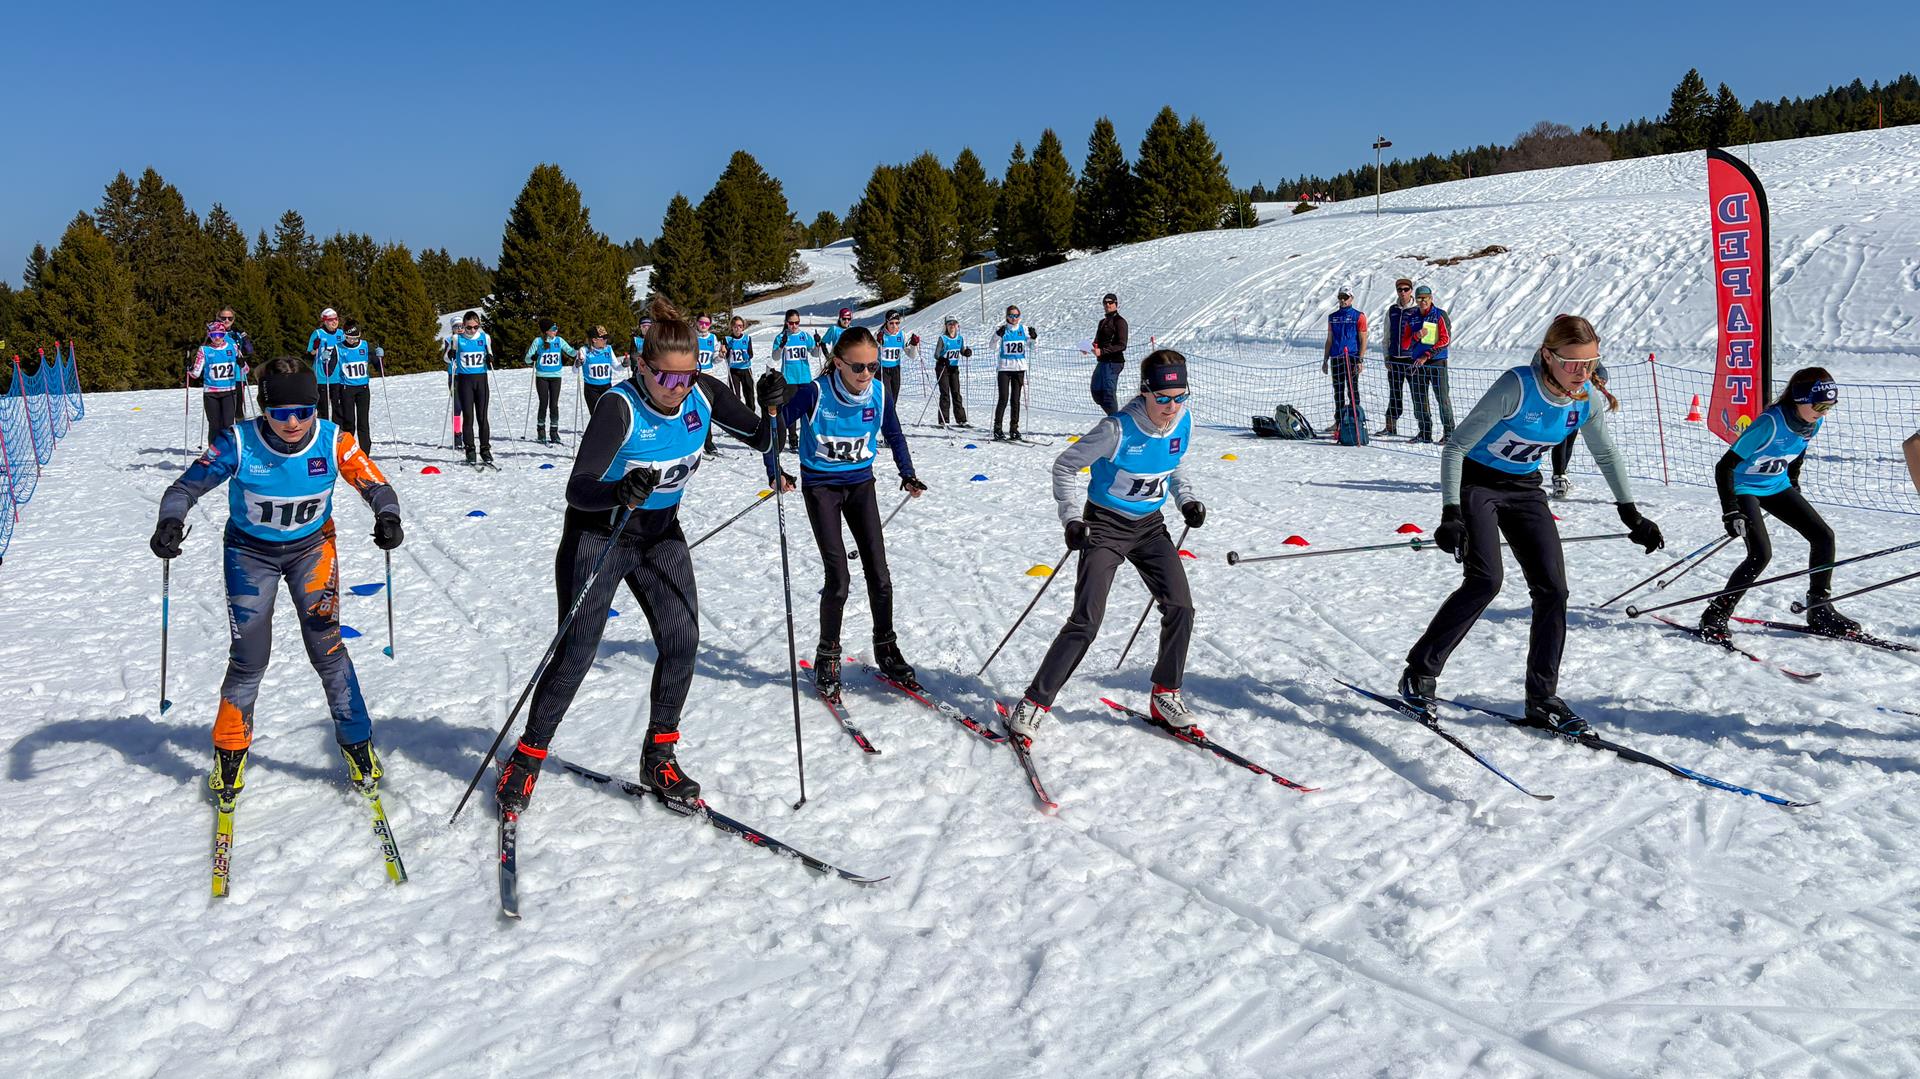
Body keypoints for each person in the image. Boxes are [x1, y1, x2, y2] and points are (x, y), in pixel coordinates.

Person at [493, 300, 781, 813]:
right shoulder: (618, 407)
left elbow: (762, 438)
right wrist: (620, 490)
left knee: (682, 638)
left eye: (688, 377)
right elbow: (578, 489)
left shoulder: (704, 395)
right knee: (578, 649)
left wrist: (775, 402)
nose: (678, 389)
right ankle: (527, 756)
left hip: (658, 535)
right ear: (641, 365)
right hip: (598, 535)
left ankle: (659, 755)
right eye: (667, 379)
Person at [148, 356, 405, 812]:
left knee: (327, 649)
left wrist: (387, 516)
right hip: (250, 555)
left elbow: (377, 485)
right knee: (249, 657)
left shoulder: (333, 441)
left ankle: (358, 745)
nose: (293, 422)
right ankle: (229, 753)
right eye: (281, 412)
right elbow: (183, 488)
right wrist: (171, 522)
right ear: (264, 409)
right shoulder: (239, 442)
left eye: (303, 411)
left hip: (312, 551)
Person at [1399, 315, 1663, 735]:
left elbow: (1607, 455)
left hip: (1524, 489)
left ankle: (1541, 698)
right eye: (1573, 363)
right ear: (1548, 356)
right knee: (1485, 581)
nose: (1583, 372)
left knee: (1553, 589)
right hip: (1477, 484)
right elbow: (1456, 446)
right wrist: (1450, 513)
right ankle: (1419, 673)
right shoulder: (1517, 386)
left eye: (1591, 363)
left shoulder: (1585, 399)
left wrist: (1630, 513)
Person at [1002, 351, 1206, 746]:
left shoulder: (1183, 420)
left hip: (1150, 527)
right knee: (1087, 620)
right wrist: (1072, 519)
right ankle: (1034, 702)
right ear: (1145, 391)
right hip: (1106, 527)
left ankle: (1166, 693)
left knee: (1181, 606)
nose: (1172, 406)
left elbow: (1174, 459)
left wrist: (1186, 500)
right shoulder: (1117, 429)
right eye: (1163, 398)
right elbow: (1064, 466)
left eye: (1180, 396)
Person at [761, 326, 926, 696]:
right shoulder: (814, 392)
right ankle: (828, 654)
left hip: (860, 485)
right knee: (839, 579)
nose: (866, 374)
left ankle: (886, 646)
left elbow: (895, 435)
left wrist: (908, 474)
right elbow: (770, 432)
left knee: (880, 574)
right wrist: (775, 470)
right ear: (838, 363)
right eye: (858, 367)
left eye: (873, 366)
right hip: (821, 488)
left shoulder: (879, 393)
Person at [1700, 369, 1856, 641]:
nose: (1824, 412)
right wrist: (1731, 510)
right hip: (1744, 486)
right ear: (1799, 399)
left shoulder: (1812, 422)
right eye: (1820, 405)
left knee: (1823, 536)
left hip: (1776, 485)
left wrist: (1792, 481)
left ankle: (1819, 608)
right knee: (1760, 554)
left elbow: (1798, 451)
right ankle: (1715, 615)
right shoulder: (1769, 423)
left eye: (1830, 406)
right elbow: (1725, 466)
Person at [1549, 363, 1613, 499]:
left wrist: (1600, 379)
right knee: (1560, 440)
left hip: (1577, 403)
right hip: (1557, 404)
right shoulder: (1557, 355)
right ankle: (1559, 476)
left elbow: (1601, 370)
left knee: (1570, 439)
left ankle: (1562, 473)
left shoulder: (1588, 358)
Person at [1401, 285, 1455, 442]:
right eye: (1419, 298)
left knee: (1442, 398)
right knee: (1419, 399)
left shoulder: (1439, 315)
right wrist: (1417, 336)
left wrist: (1428, 354)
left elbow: (1445, 339)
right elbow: (1405, 344)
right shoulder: (1412, 317)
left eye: (1425, 298)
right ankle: (1425, 432)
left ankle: (1449, 433)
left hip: (1436, 362)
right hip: (1418, 363)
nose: (1422, 301)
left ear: (1431, 298)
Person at [446, 310, 497, 465]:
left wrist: (490, 358)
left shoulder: (484, 337)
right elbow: (446, 357)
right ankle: (470, 450)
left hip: (481, 380)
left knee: (482, 417)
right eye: (469, 327)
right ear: (464, 325)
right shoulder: (457, 338)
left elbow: (490, 354)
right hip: (464, 381)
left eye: (476, 327)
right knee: (468, 417)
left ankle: (485, 449)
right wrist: (451, 355)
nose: (473, 330)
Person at [771, 309, 823, 452]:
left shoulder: (805, 336)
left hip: (805, 378)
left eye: (797, 323)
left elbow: (815, 354)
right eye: (791, 323)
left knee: (808, 410)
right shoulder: (781, 337)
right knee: (792, 411)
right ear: (786, 323)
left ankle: (809, 438)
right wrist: (781, 345)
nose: (794, 326)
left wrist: (818, 344)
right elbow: (775, 357)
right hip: (789, 380)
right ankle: (793, 440)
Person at [189, 320, 249, 443]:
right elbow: (195, 374)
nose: (217, 338)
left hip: (229, 392)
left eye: (220, 335)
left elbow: (246, 370)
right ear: (209, 335)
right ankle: (212, 452)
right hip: (211, 393)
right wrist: (189, 368)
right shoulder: (204, 350)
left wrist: (242, 364)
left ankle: (228, 451)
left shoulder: (233, 347)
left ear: (224, 335)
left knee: (228, 424)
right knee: (214, 425)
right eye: (213, 335)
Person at [524, 318, 577, 444]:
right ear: (546, 331)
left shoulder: (559, 340)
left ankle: (554, 431)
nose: (556, 330)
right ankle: (541, 431)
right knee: (543, 402)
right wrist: (533, 357)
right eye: (553, 329)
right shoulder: (538, 341)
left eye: (556, 328)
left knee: (554, 404)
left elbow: (570, 351)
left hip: (556, 376)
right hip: (542, 376)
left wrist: (579, 352)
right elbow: (527, 359)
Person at [1322, 286, 1368, 422]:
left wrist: (1360, 360)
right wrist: (1325, 359)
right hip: (1336, 358)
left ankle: (1356, 420)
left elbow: (1363, 339)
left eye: (1346, 297)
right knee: (1338, 391)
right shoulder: (1332, 317)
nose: (1343, 300)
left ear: (1351, 298)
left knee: (1353, 390)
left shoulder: (1359, 316)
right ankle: (1339, 421)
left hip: (1352, 358)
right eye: (1340, 297)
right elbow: (1329, 339)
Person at [993, 304, 1038, 440]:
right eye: (1011, 316)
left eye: (1016, 315)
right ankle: (997, 429)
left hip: (1019, 369)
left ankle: (1014, 429)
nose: (1014, 318)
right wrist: (996, 336)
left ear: (1019, 316)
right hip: (1004, 369)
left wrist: (1034, 338)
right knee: (1003, 398)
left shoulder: (1024, 329)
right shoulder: (1002, 330)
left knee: (1015, 400)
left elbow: (1032, 348)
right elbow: (992, 346)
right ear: (1007, 317)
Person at [1377, 279, 1417, 436]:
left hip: (1412, 360)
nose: (1403, 292)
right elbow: (1387, 334)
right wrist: (1386, 356)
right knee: (1394, 393)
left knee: (1418, 394)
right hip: (1394, 359)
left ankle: (1424, 429)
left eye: (1406, 289)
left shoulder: (1417, 310)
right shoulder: (1392, 310)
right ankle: (1390, 426)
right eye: (1400, 289)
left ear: (1411, 290)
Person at [333, 322, 376, 451]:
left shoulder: (366, 346)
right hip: (347, 389)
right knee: (349, 422)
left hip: (363, 389)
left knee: (363, 422)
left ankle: (365, 452)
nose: (352, 341)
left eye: (355, 338)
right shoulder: (338, 348)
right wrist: (326, 359)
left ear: (360, 335)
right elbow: (329, 370)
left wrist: (379, 357)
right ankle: (347, 450)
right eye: (349, 338)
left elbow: (378, 365)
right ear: (344, 336)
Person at [1090, 292, 1128, 416]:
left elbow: (1122, 345)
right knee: (1096, 391)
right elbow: (1097, 341)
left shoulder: (1120, 321)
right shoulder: (1102, 322)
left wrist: (1103, 351)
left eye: (1110, 302)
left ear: (1116, 304)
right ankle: (1113, 416)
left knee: (1108, 393)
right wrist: (1089, 347)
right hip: (1103, 361)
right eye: (1105, 303)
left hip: (1114, 362)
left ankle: (1115, 421)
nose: (1107, 305)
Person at [875, 309, 917, 416]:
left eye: (897, 323)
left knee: (894, 396)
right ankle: (885, 417)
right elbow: (871, 352)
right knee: (887, 396)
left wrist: (913, 345)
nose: (894, 326)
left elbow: (912, 355)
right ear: (886, 322)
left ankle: (889, 416)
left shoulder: (901, 335)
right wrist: (877, 342)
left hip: (895, 369)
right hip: (882, 370)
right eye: (891, 323)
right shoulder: (880, 334)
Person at [307, 308, 344, 422]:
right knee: (323, 408)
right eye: (330, 320)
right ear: (324, 321)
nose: (334, 322)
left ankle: (337, 432)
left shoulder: (341, 333)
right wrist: (315, 347)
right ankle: (323, 431)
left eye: (336, 319)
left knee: (338, 408)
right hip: (322, 378)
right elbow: (310, 354)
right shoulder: (318, 333)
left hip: (338, 377)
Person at [934, 315, 972, 426]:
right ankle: (943, 420)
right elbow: (936, 354)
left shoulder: (960, 338)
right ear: (946, 326)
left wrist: (966, 352)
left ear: (957, 325)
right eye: (949, 324)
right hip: (943, 368)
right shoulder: (943, 338)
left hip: (954, 369)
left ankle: (961, 419)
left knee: (956, 393)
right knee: (945, 393)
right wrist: (942, 359)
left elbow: (962, 350)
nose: (952, 326)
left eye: (954, 323)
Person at [217, 306, 255, 419]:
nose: (227, 321)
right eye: (223, 318)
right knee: (222, 411)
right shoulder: (214, 334)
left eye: (230, 318)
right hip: (220, 378)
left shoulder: (237, 333)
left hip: (237, 375)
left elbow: (249, 350)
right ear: (218, 318)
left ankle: (239, 433)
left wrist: (244, 338)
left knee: (238, 409)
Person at [694, 314, 724, 456]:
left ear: (710, 325)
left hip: (708, 376)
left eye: (706, 324)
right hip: (693, 376)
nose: (703, 326)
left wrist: (721, 356)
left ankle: (708, 442)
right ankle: (692, 442)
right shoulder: (692, 337)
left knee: (706, 410)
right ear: (697, 323)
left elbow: (715, 359)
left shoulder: (713, 339)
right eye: (701, 323)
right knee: (692, 410)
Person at [580, 325, 621, 415]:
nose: (605, 341)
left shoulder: (608, 349)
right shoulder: (584, 350)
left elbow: (616, 367)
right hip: (591, 388)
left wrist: (624, 364)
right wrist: (578, 363)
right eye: (603, 338)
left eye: (606, 338)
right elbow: (574, 370)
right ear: (594, 340)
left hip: (606, 386)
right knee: (596, 414)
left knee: (608, 414)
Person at [724, 315, 756, 412]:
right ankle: (737, 415)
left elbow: (751, 353)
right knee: (735, 395)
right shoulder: (728, 339)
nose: (738, 328)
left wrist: (747, 356)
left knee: (749, 393)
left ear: (743, 327)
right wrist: (728, 348)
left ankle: (751, 414)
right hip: (733, 371)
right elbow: (725, 356)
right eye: (735, 326)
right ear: (732, 327)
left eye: (740, 326)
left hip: (746, 369)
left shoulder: (747, 338)